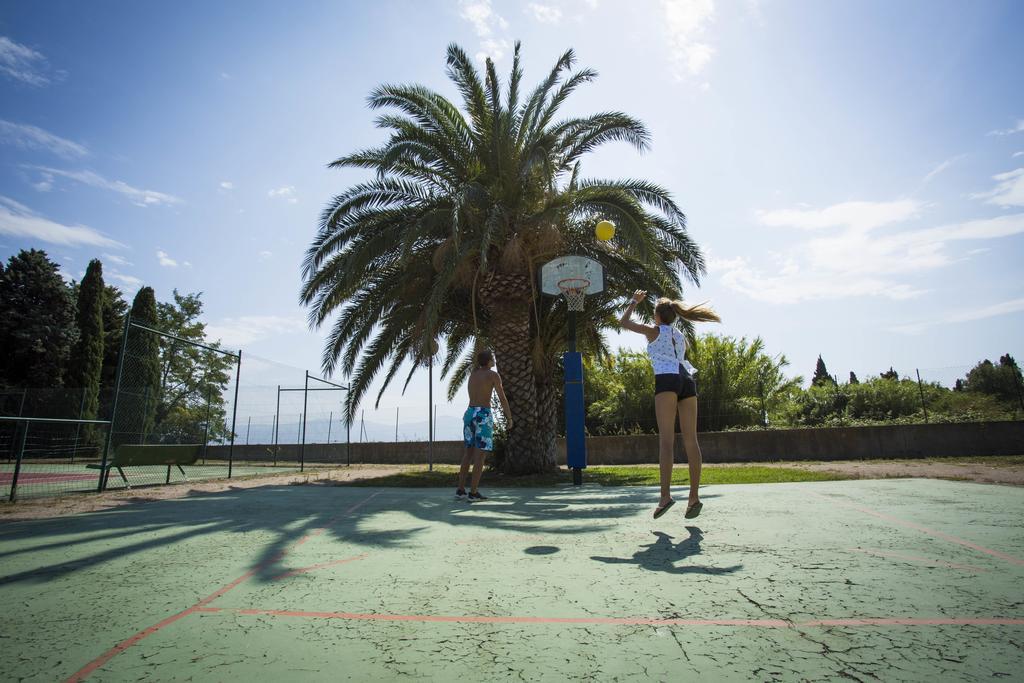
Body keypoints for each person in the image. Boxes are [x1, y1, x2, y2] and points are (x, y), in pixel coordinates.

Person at [619, 290, 720, 519]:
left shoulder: (654, 331)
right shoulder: (679, 336)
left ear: (657, 316)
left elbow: (623, 322)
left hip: (667, 379)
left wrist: (634, 301)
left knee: (666, 441)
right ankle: (693, 498)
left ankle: (665, 496)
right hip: (687, 379)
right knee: (691, 440)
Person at [456, 349, 512, 502]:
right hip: (483, 415)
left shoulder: (472, 375)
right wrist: (509, 417)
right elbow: (502, 397)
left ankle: (460, 490)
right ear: (488, 361)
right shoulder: (493, 375)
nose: (494, 360)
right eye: (492, 358)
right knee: (480, 456)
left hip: (469, 413)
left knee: (468, 453)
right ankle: (473, 493)